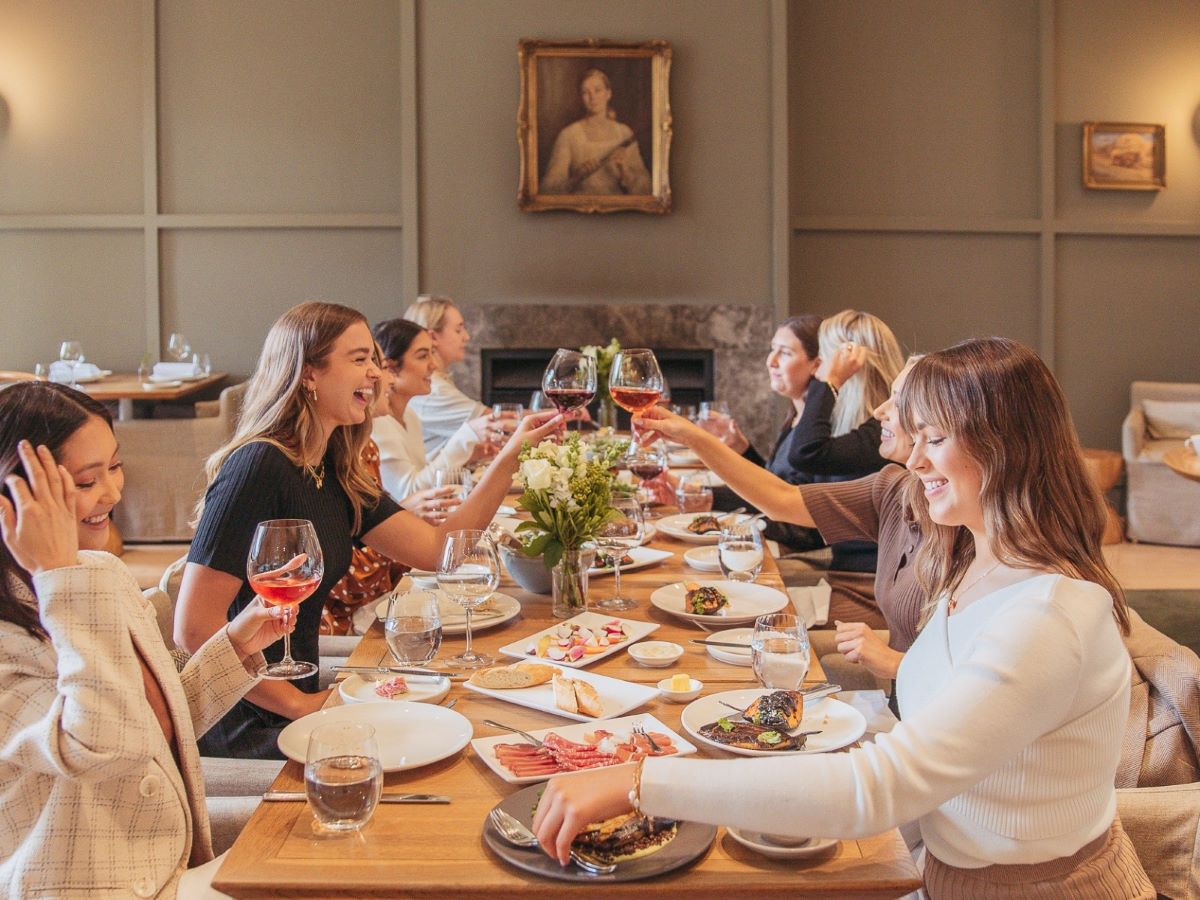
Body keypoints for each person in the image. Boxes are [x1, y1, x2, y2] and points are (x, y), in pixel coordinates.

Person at [533, 337, 1154, 897]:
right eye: (916, 437)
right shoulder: (970, 566)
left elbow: (879, 788)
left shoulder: (1045, 615)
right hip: (936, 867)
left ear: (1007, 447)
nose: (915, 460)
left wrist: (643, 781)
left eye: (935, 439)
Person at [174, 302, 561, 759]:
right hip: (249, 723)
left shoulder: (333, 467)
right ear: (308, 373)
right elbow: (193, 631)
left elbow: (438, 550)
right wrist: (299, 705)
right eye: (360, 359)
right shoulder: (258, 466)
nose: (377, 373)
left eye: (375, 360)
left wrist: (510, 457)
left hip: (302, 705)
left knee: (470, 717)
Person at [0, 382, 293, 898]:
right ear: (14, 499)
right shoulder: (23, 626)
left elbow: (152, 730)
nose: (113, 494)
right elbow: (106, 744)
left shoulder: (100, 575)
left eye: (114, 467)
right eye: (87, 480)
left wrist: (234, 647)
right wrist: (59, 577)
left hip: (167, 865)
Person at [371, 317, 491, 503]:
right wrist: (464, 439)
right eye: (422, 356)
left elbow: (424, 476)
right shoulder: (379, 423)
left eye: (432, 354)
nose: (433, 365)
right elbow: (408, 494)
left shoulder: (410, 416)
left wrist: (467, 458)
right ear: (392, 367)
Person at [404, 295, 497, 455]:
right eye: (458, 330)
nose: (466, 337)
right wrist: (545, 416)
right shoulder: (433, 390)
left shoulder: (437, 382)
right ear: (433, 337)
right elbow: (499, 422)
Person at [539, 67, 652, 196]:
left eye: (597, 90)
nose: (592, 97)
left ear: (608, 94)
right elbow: (548, 191)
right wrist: (576, 177)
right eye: (585, 92)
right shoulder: (569, 135)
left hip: (618, 207)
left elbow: (646, 189)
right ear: (581, 97)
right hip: (580, 206)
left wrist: (624, 170)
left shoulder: (624, 133)